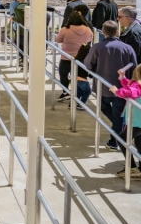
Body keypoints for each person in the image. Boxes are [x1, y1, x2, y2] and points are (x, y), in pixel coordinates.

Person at [84, 20, 137, 151]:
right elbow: (135, 68)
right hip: (122, 88)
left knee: (103, 108)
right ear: (117, 32)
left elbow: (88, 64)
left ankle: (115, 138)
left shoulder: (97, 47)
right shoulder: (127, 48)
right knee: (118, 115)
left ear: (102, 32)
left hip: (103, 87)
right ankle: (116, 136)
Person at [54, 11, 93, 101]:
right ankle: (77, 94)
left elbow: (58, 40)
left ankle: (65, 91)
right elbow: (90, 39)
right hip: (81, 57)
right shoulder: (88, 29)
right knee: (79, 76)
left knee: (63, 74)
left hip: (66, 57)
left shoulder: (65, 29)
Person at [112, 65, 141, 178]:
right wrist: (122, 78)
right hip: (137, 122)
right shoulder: (137, 85)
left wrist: (117, 91)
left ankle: (132, 168)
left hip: (137, 122)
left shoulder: (138, 86)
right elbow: (130, 87)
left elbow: (131, 91)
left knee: (122, 139)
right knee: (139, 144)